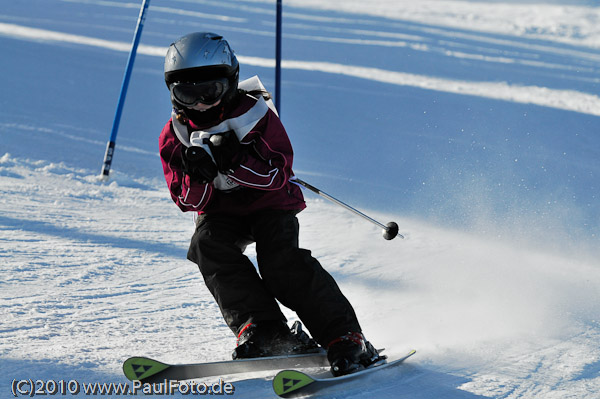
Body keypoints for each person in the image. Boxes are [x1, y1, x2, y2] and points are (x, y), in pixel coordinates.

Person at [158, 32, 381, 376]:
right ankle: (264, 329)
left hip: (271, 203)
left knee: (280, 264)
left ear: (230, 83)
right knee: (207, 246)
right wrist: (197, 175)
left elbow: (278, 174)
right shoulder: (174, 135)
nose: (201, 104)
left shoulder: (254, 114)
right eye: (187, 94)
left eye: (210, 91)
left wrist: (235, 160)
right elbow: (186, 201)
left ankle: (344, 335)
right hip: (221, 211)